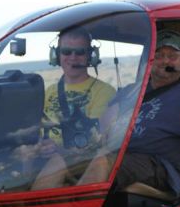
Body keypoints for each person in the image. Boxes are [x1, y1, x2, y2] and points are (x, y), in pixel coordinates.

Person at [79, 29, 180, 197]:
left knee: (102, 163)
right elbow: (104, 123)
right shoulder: (133, 91)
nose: (165, 61)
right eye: (159, 55)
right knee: (59, 163)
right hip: (121, 155)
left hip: (160, 167)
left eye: (172, 56)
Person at [30, 26, 116, 190]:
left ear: (90, 55)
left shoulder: (104, 92)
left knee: (56, 162)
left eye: (80, 52)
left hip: (80, 161)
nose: (73, 57)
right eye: (67, 52)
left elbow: (96, 141)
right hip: (43, 159)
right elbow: (37, 129)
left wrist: (59, 151)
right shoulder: (49, 92)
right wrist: (39, 146)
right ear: (57, 55)